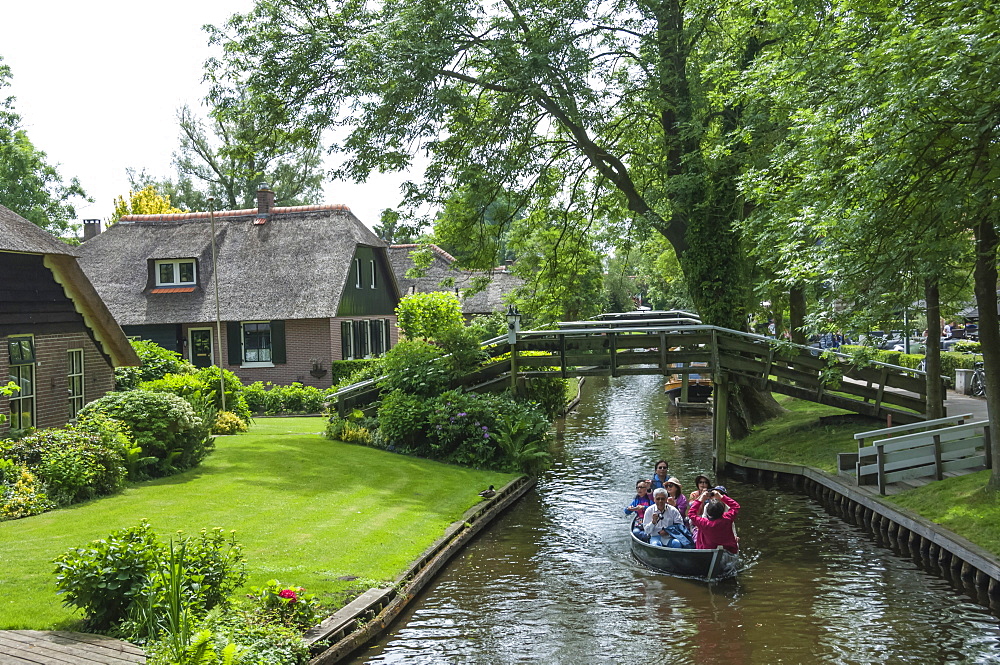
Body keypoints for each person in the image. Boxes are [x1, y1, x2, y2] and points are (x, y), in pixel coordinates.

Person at [688, 488, 740, 553]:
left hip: (707, 551)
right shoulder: (727, 518)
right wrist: (721, 497)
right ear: (722, 510)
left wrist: (701, 499)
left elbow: (691, 513)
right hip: (728, 549)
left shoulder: (703, 523)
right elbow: (736, 506)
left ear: (708, 511)